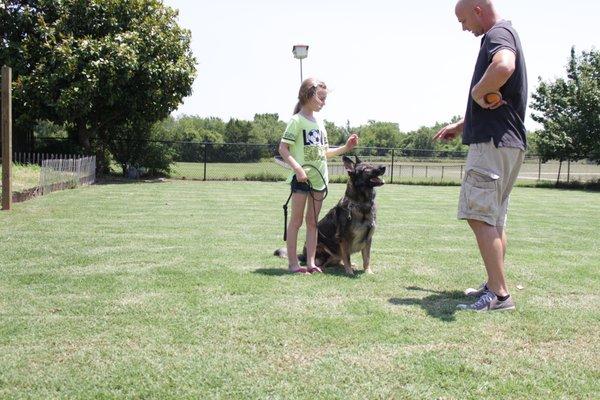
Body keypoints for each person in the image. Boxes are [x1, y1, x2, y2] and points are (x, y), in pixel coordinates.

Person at [434, 0, 528, 311]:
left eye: (463, 20)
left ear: (477, 9)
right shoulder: (507, 31)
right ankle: (493, 283)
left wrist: (477, 92)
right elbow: (502, 98)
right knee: (494, 219)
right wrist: (462, 125)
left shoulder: (496, 34)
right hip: (508, 142)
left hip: (492, 143)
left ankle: (499, 295)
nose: (463, 28)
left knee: (478, 214)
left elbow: (504, 66)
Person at [278, 78, 358, 274]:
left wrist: (346, 148)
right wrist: (298, 169)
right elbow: (283, 148)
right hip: (301, 181)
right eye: (321, 97)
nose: (324, 102)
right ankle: (293, 264)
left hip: (319, 181)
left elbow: (323, 152)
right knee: (296, 222)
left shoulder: (320, 122)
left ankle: (311, 263)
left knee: (312, 223)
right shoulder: (297, 121)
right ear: (309, 95)